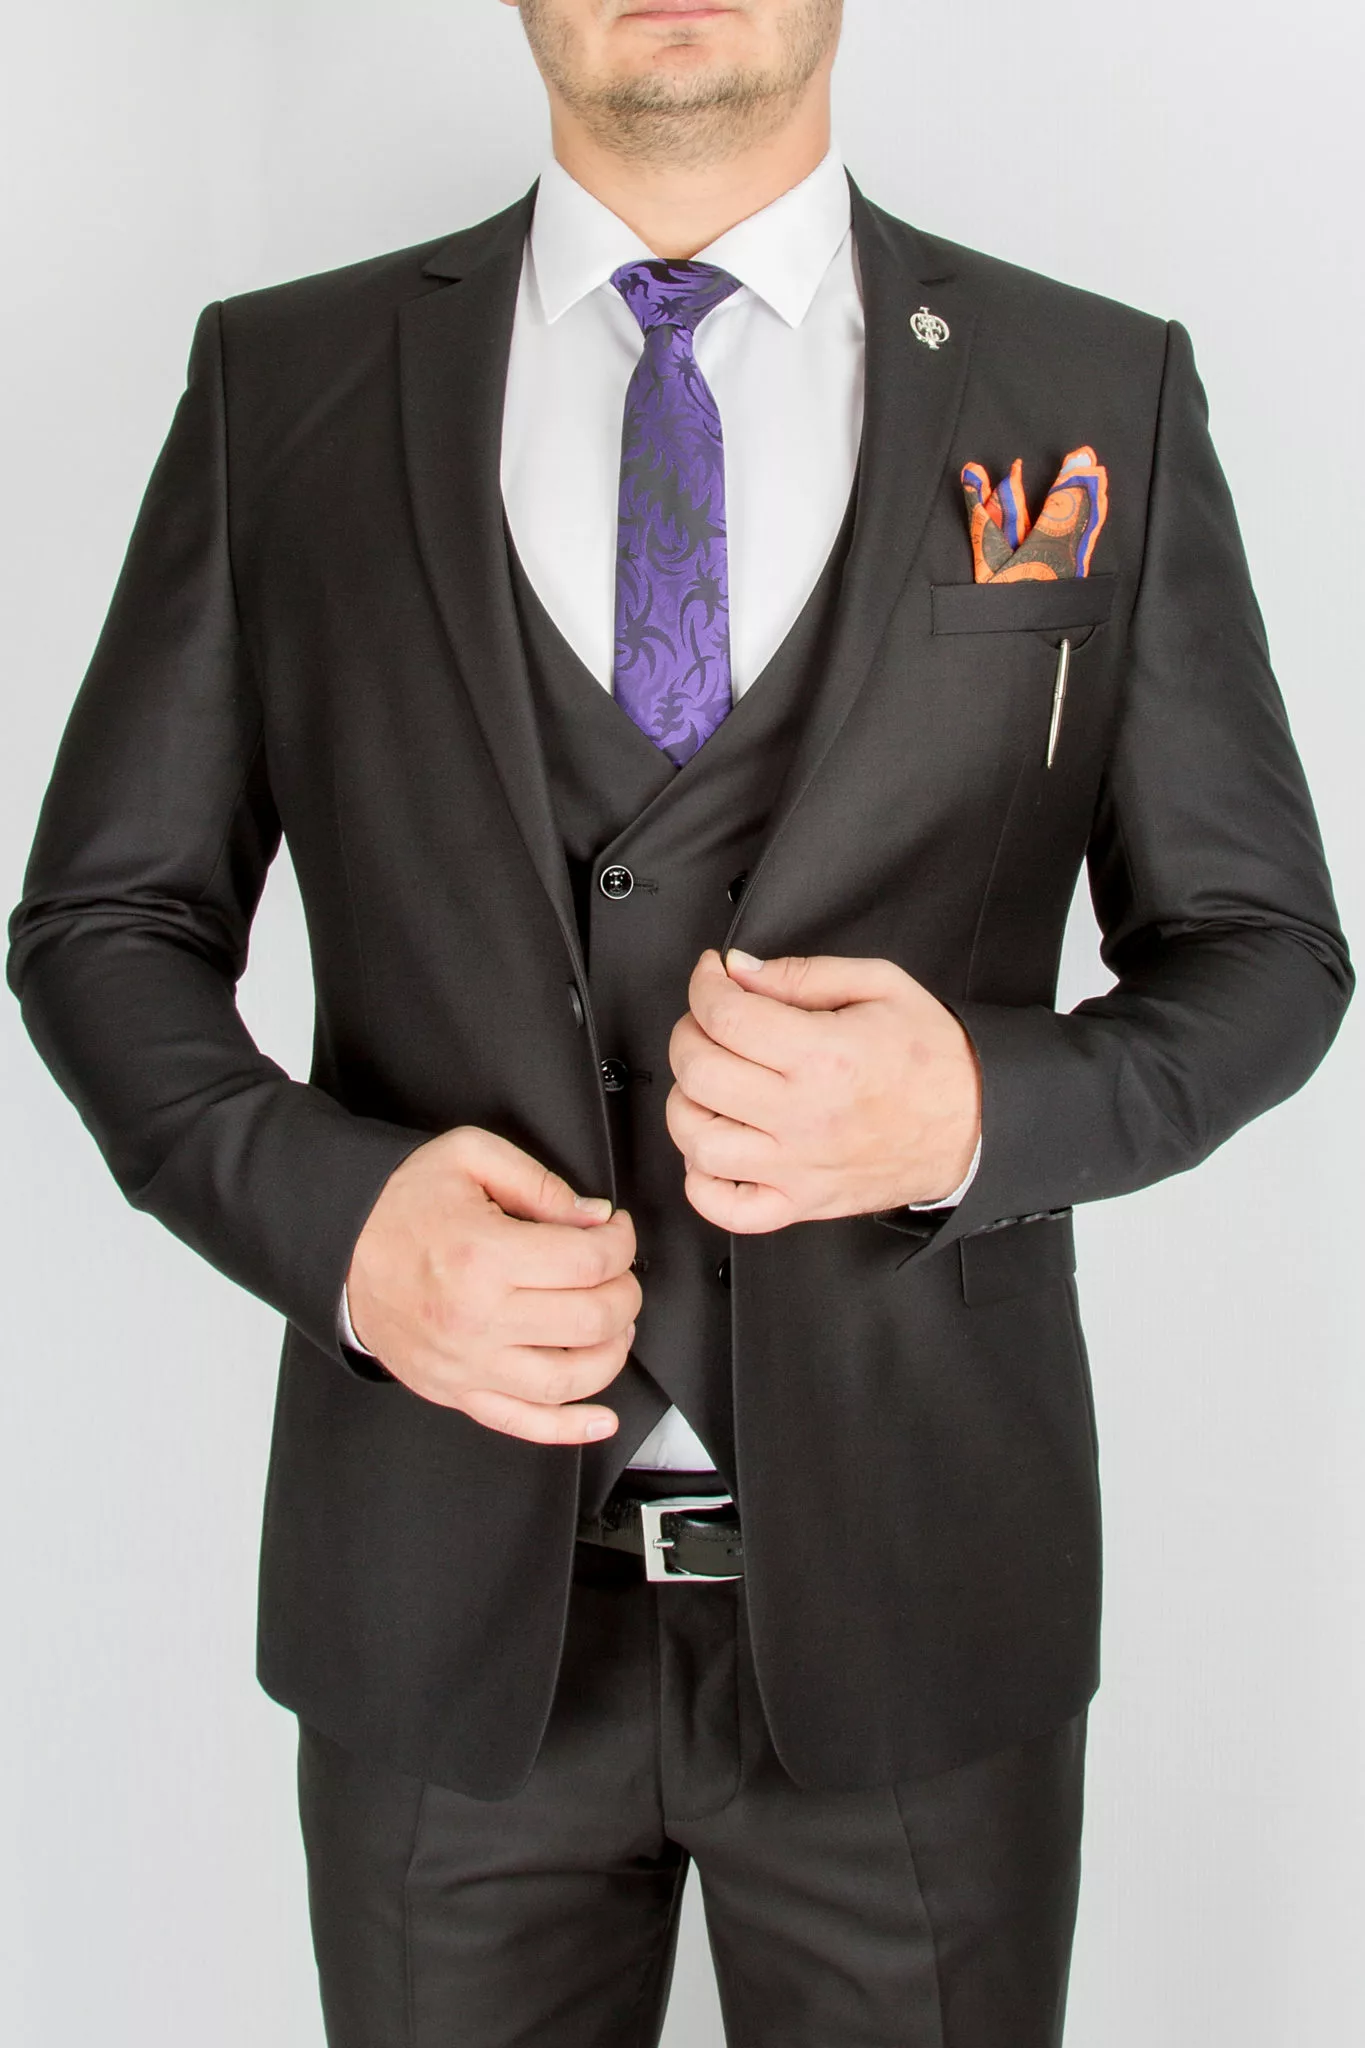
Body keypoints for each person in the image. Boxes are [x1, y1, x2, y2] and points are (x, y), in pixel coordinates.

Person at [9, 1, 1351, 2042]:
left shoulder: (1090, 387)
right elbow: (107, 917)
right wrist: (345, 1232)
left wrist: (972, 1110)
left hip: (924, 1602)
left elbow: (1262, 947)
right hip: (438, 1620)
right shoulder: (284, 385)